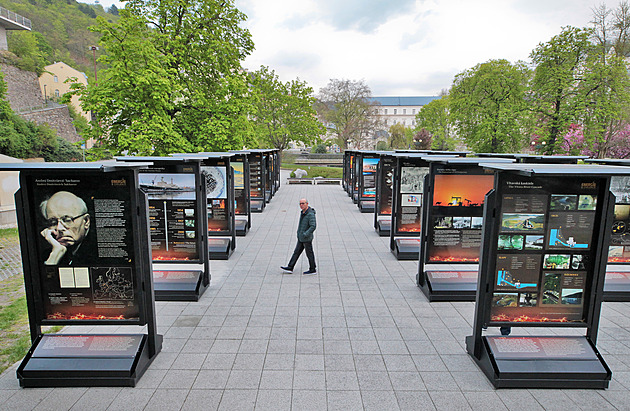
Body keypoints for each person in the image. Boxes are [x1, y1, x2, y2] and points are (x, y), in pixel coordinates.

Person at [39, 191, 94, 266]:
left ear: (86, 221)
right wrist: (54, 257)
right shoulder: (50, 254)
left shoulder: (100, 255)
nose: (59, 228)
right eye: (53, 222)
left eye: (67, 220)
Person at [281, 197, 317, 274]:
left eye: (303, 203)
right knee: (296, 252)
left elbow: (313, 226)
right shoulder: (303, 212)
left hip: (306, 238)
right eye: (300, 204)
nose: (301, 205)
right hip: (301, 237)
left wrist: (305, 234)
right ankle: (290, 267)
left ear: (307, 204)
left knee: (309, 253)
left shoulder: (310, 214)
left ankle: (312, 268)